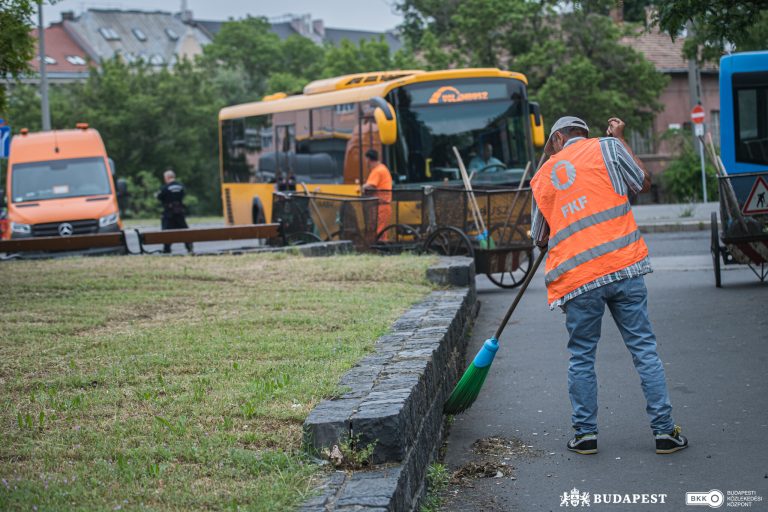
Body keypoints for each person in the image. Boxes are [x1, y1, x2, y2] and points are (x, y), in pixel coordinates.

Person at [530, 116, 688, 455]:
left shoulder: (544, 175)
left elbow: (538, 236)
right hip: (624, 267)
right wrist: (621, 138)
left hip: (578, 281)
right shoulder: (609, 148)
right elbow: (643, 182)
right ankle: (665, 433)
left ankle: (585, 435)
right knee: (644, 350)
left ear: (557, 139)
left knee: (582, 357)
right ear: (585, 135)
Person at [156, 169, 193, 254]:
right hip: (179, 212)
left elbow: (159, 196)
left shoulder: (165, 188)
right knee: (184, 230)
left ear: (167, 177)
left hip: (169, 213)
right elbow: (183, 194)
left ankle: (166, 249)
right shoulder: (181, 186)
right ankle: (189, 247)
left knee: (166, 230)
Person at [362, 149, 393, 240]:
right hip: (383, 206)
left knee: (379, 233)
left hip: (380, 206)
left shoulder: (377, 171)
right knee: (382, 233)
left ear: (368, 159)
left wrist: (363, 187)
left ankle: (381, 252)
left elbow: (370, 186)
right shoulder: (383, 168)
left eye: (365, 160)